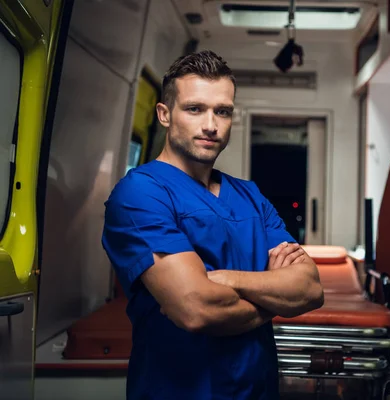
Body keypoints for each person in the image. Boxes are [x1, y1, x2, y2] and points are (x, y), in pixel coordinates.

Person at [101, 50, 324, 400]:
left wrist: (226, 279)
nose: (211, 124)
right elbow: (197, 308)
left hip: (258, 389)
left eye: (222, 111)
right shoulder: (140, 193)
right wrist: (277, 298)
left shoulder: (250, 195)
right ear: (164, 114)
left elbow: (310, 288)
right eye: (195, 109)